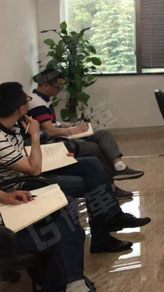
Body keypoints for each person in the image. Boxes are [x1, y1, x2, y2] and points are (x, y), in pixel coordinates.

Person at [0, 82, 151, 253]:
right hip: (21, 183)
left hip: (29, 169)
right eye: (26, 100)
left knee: (91, 163)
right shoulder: (3, 137)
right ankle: (104, 233)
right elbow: (33, 170)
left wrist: (57, 156)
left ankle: (113, 217)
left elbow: (23, 156)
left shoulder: (14, 126)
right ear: (20, 109)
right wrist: (35, 135)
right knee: (92, 184)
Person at [28, 70, 143, 199]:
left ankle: (119, 165)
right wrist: (71, 131)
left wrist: (73, 126)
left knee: (103, 134)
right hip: (54, 144)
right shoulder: (36, 103)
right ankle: (111, 187)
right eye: (58, 87)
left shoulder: (43, 100)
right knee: (99, 149)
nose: (59, 90)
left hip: (62, 136)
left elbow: (53, 123)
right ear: (45, 86)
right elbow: (50, 131)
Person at [0, 190, 91, 292]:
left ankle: (72, 283)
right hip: (5, 237)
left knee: (66, 208)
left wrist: (4, 196)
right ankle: (73, 283)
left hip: (8, 220)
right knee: (67, 232)